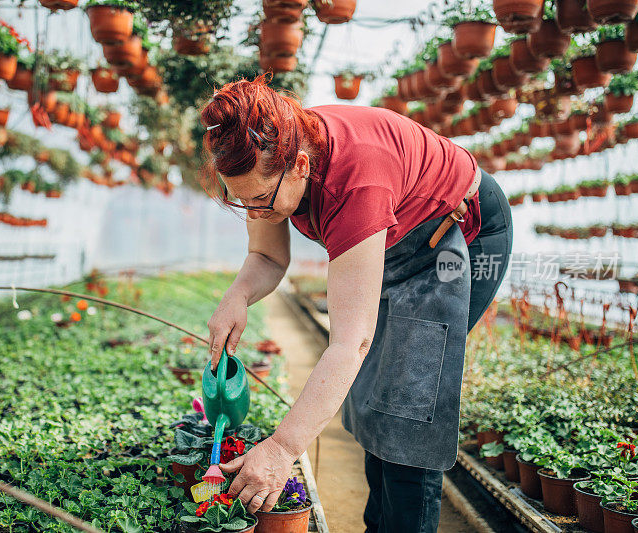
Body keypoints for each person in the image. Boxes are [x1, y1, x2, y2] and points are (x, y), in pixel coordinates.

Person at [200, 75, 512, 533]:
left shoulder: (356, 179)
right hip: (396, 241)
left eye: (261, 200)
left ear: (302, 166)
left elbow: (350, 342)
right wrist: (238, 295)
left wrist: (284, 448)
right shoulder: (269, 161)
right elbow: (267, 255)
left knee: (407, 407)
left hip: (454, 238)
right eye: (241, 200)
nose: (255, 212)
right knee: (372, 398)